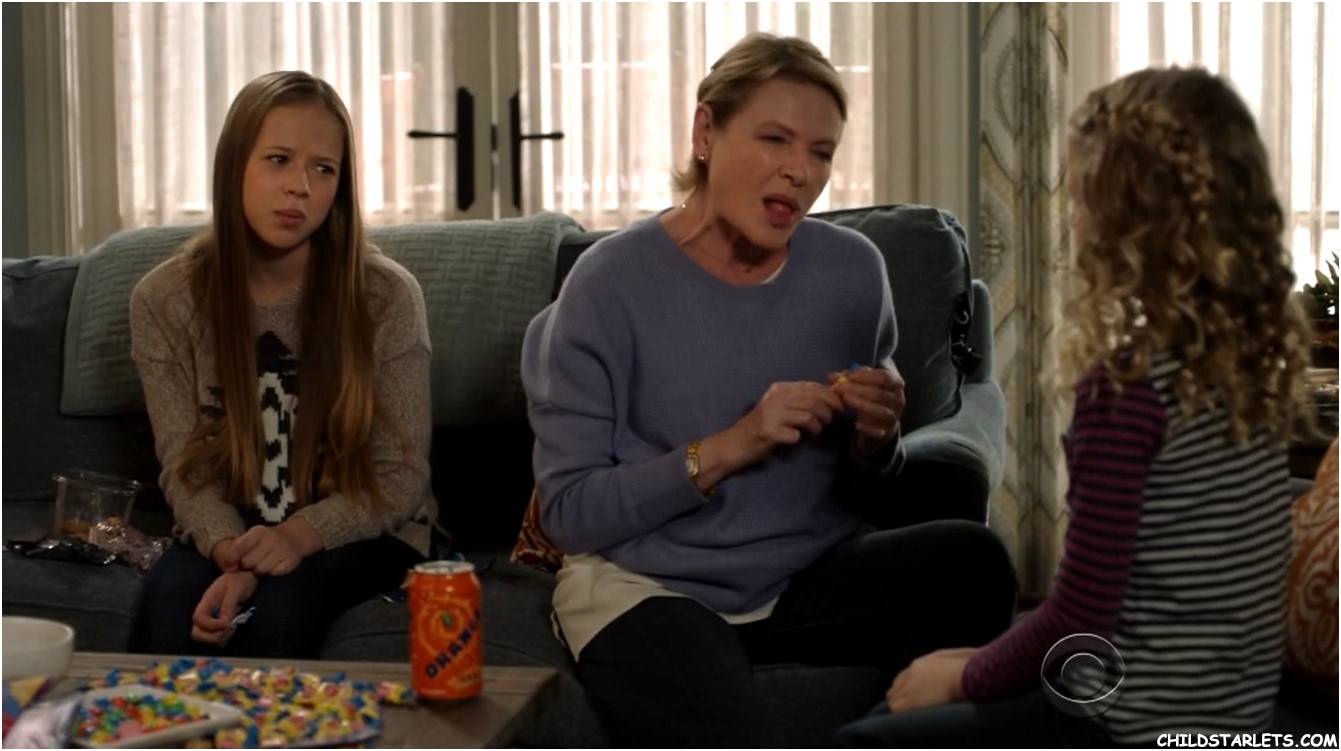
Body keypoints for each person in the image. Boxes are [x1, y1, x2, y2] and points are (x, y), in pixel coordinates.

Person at [521, 33, 1018, 747]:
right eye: (775, 139)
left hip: (806, 574)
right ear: (705, 132)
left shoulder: (853, 272)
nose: (799, 171)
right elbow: (570, 514)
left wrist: (876, 441)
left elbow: (868, 492)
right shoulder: (608, 283)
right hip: (645, 586)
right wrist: (733, 444)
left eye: (821, 152)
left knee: (974, 561)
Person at [837, 66, 1316, 748]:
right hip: (1232, 720)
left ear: (1130, 220)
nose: (1073, 215)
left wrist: (965, 675)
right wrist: (984, 662)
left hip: (1125, 721)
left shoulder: (1126, 388)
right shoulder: (1243, 368)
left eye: (1084, 193)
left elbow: (1080, 617)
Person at [129, 71, 436, 658]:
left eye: (323, 169)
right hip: (231, 527)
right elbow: (185, 468)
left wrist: (298, 536)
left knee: (279, 614)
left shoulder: (386, 296)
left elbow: (400, 477)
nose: (300, 186)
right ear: (234, 167)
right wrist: (230, 551)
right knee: (169, 613)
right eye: (278, 160)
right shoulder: (163, 299)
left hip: (361, 531)